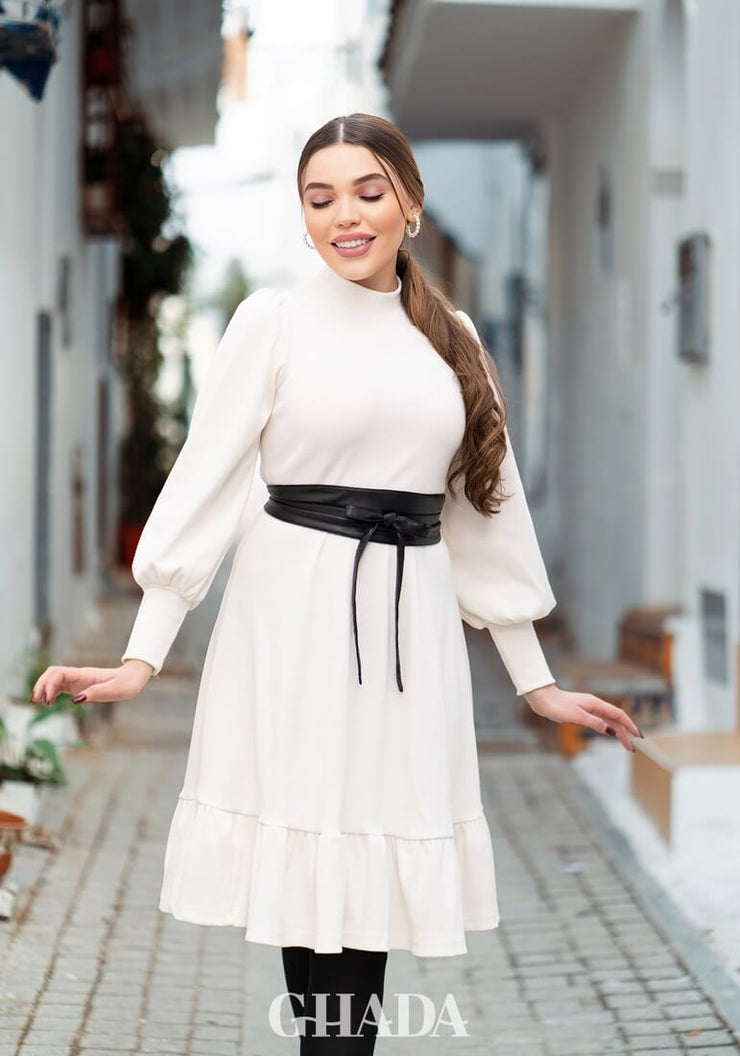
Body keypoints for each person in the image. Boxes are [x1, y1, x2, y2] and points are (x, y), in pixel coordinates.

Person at [31, 113, 642, 1053]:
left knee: (368, 864)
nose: (345, 216)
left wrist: (536, 681)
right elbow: (206, 485)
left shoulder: (456, 339)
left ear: (411, 204)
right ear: (304, 216)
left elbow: (485, 513)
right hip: (290, 621)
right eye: (321, 199)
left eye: (367, 192)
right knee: (311, 862)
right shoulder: (271, 323)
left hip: (410, 637)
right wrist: (142, 655)